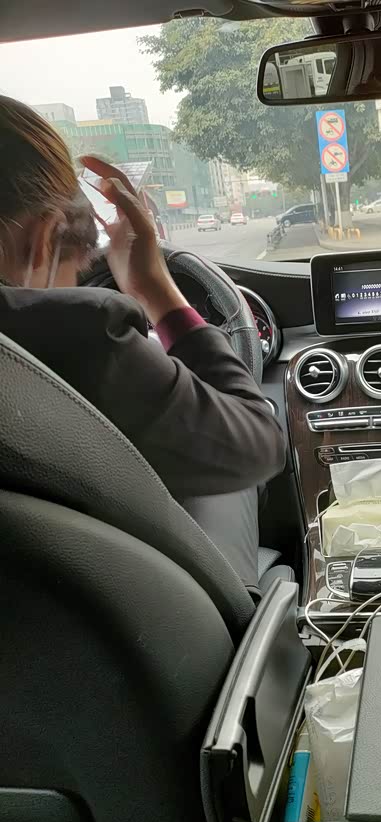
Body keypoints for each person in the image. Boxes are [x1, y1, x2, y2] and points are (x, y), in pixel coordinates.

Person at [0, 96, 285, 589]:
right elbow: (258, 445)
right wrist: (155, 290)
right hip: (114, 612)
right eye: (75, 271)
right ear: (46, 237)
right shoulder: (78, 332)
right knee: (227, 484)